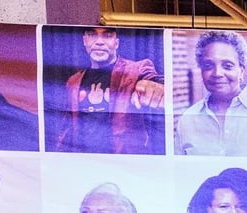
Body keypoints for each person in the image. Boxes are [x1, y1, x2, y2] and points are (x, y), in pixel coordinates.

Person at [175, 30, 247, 157]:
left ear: (241, 70)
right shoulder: (187, 120)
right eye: (208, 66)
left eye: (227, 66)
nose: (217, 73)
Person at [52, 26, 164, 155]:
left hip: (124, 162)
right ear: (85, 41)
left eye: (107, 36)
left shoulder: (136, 70)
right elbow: (67, 130)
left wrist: (156, 87)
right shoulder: (73, 81)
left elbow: (155, 81)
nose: (99, 41)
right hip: (85, 161)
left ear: (116, 43)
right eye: (92, 35)